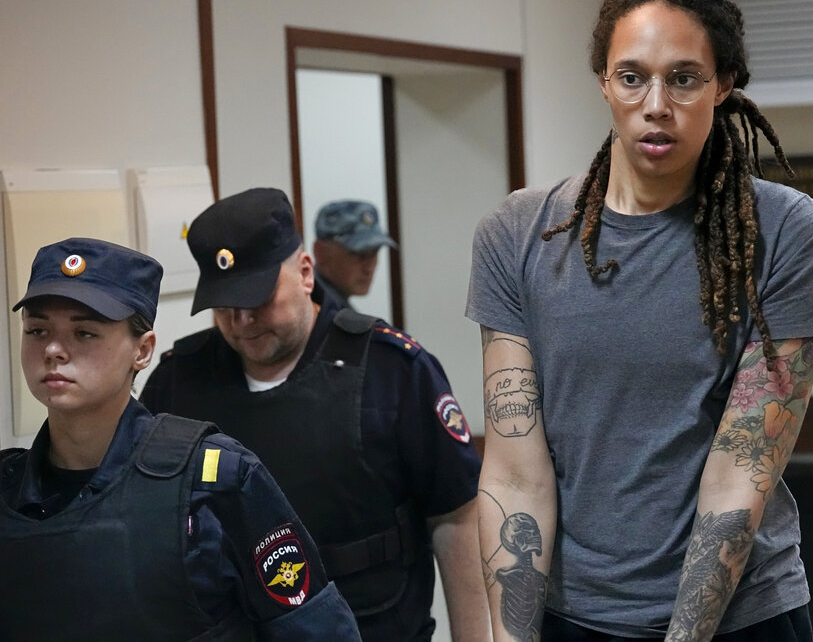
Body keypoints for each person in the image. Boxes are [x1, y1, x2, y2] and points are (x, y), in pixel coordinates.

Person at [466, 0, 813, 642]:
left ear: (723, 85)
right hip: (572, 613)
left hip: (739, 616)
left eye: (684, 79)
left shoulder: (788, 232)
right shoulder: (517, 234)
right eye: (633, 78)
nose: (656, 105)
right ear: (604, 83)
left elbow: (740, 473)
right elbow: (515, 473)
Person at [142, 187, 489, 642]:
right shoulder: (176, 383)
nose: (242, 321)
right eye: (224, 306)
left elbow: (456, 517)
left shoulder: (393, 371)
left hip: (374, 626)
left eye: (256, 299)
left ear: (305, 273)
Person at [0, 237, 359, 640]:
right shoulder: (7, 490)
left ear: (142, 351)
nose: (53, 349)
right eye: (37, 330)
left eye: (84, 333)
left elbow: (316, 630)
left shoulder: (215, 479)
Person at [313, 199, 397, 311]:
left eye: (374, 253)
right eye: (358, 254)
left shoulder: (330, 306)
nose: (368, 268)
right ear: (321, 252)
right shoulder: (313, 311)